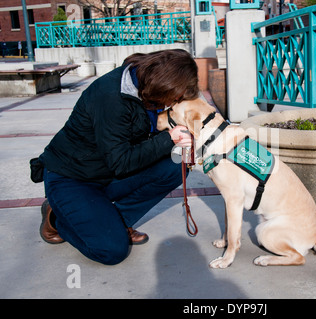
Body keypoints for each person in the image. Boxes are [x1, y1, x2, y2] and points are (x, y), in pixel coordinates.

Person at [35, 49, 197, 265]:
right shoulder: (111, 97)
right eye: (174, 97)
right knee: (111, 250)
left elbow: (137, 139)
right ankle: (55, 217)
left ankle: (117, 221)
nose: (173, 102)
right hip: (72, 177)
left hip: (107, 171)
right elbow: (121, 162)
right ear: (163, 85)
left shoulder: (142, 82)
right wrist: (168, 138)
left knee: (177, 167)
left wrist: (179, 140)